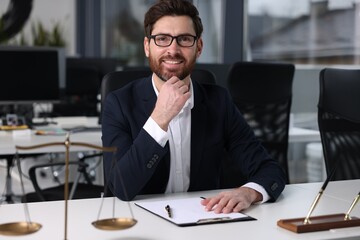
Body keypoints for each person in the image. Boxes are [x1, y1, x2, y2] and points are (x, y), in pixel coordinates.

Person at [102, 0, 286, 214]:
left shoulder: (219, 101)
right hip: (139, 222)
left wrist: (249, 192)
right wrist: (159, 119)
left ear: (198, 47)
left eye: (184, 39)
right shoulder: (119, 103)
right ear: (147, 47)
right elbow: (121, 187)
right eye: (162, 39)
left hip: (203, 222)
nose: (173, 49)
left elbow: (270, 170)